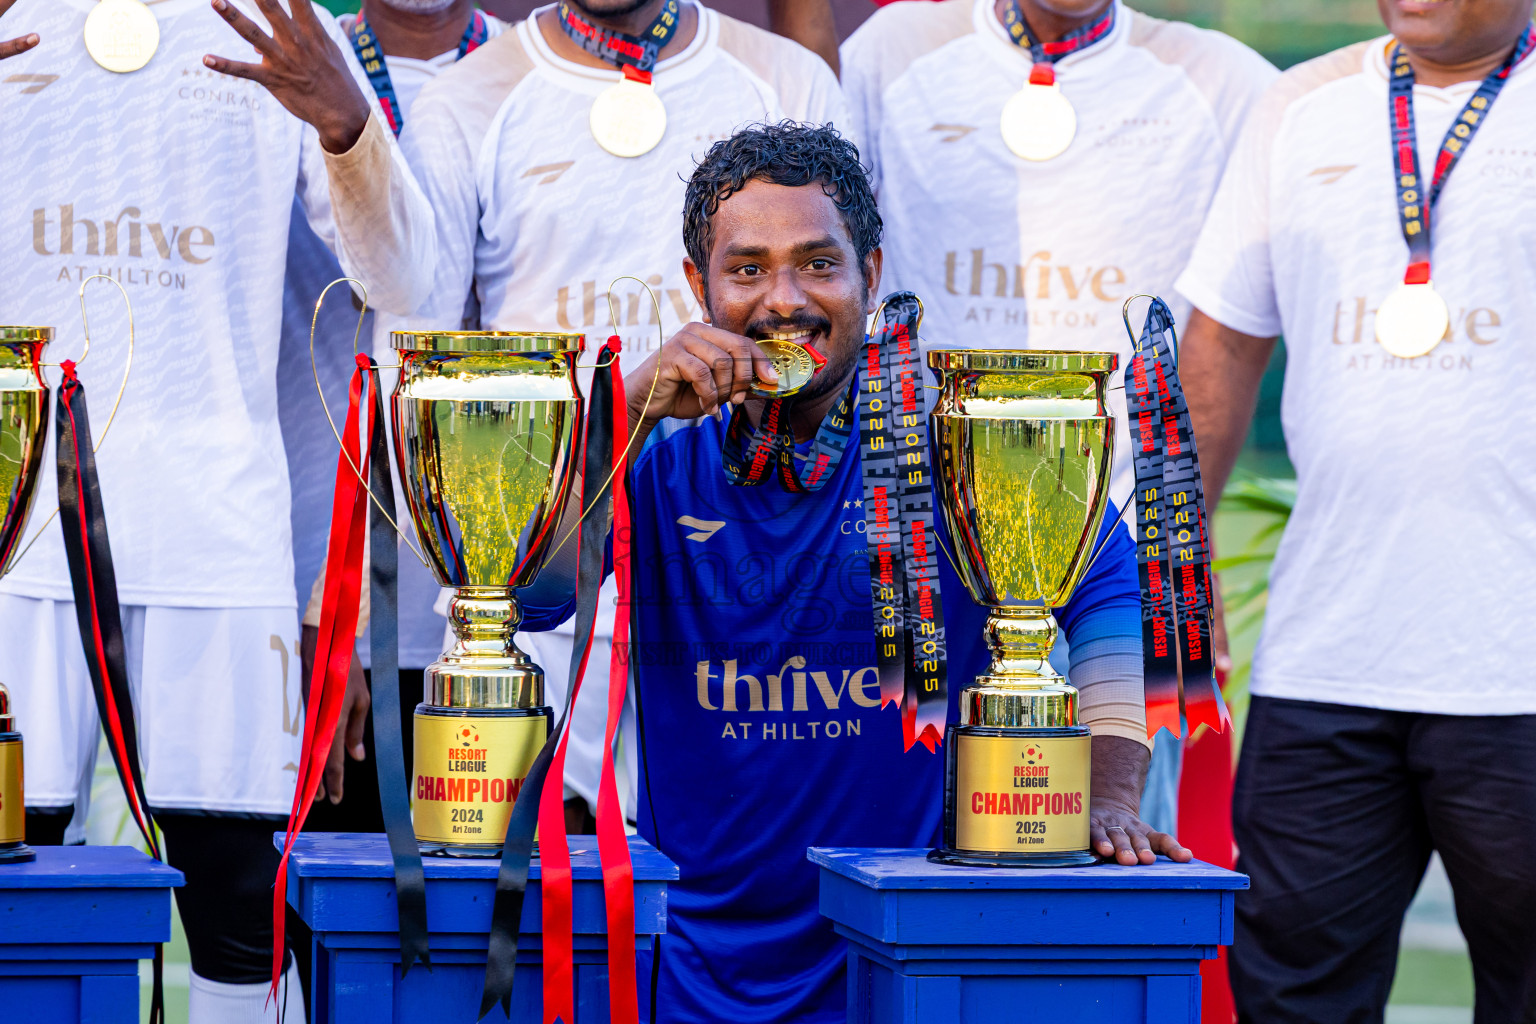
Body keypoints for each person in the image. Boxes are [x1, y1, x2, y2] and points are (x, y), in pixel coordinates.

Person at [523, 120, 1186, 1023]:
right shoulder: (656, 463)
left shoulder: (950, 455)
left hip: (905, 964)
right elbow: (526, 596)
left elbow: (1113, 579)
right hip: (695, 970)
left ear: (870, 276)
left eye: (819, 264)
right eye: (747, 268)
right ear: (698, 286)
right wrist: (621, 411)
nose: (784, 299)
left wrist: (1109, 789)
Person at [0, 1, 432, 1020]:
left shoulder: (277, 27)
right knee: (14, 886)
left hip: (219, 532)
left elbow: (404, 278)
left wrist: (347, 128)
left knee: (242, 906)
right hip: (16, 539)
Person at [398, 0, 847, 828]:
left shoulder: (786, 78)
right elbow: (414, 338)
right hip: (540, 575)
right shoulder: (471, 95)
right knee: (541, 926)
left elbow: (838, 304)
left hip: (736, 590)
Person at [1174, 0, 1536, 1019]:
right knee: (1292, 993)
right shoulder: (1300, 106)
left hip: (1520, 665)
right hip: (1327, 657)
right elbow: (1224, 343)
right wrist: (1180, 568)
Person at [837, 0, 1277, 833]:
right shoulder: (893, 52)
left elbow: (1229, 331)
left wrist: (1189, 535)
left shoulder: (1229, 83)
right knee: (905, 848)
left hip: (1120, 578)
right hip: (919, 568)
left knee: (1106, 855)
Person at [278, 0, 510, 830]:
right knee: (325, 909)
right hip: (316, 580)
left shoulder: (534, 72)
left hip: (502, 601)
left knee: (498, 919)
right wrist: (320, 605)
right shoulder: (288, 64)